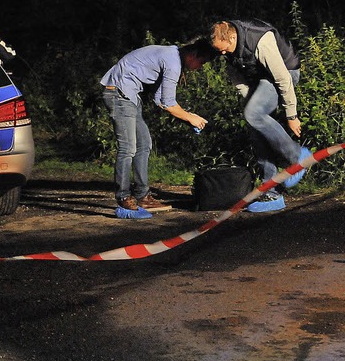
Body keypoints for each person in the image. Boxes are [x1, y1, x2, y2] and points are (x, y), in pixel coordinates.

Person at [100, 38, 216, 218]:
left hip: (130, 96)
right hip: (119, 93)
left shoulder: (173, 56)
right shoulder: (173, 62)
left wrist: (188, 118)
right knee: (128, 147)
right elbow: (168, 103)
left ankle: (142, 196)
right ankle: (123, 196)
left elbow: (160, 100)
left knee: (144, 143)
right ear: (193, 54)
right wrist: (190, 117)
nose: (200, 67)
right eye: (202, 62)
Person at [209, 19, 311, 213]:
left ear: (232, 36)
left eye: (224, 49)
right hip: (262, 79)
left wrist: (291, 114)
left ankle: (298, 157)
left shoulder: (261, 40)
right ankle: (270, 190)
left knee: (253, 114)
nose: (222, 54)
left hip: (286, 74)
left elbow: (282, 78)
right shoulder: (227, 48)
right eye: (219, 51)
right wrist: (252, 103)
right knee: (253, 122)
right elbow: (238, 79)